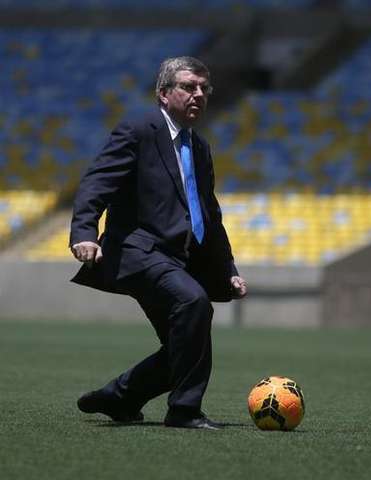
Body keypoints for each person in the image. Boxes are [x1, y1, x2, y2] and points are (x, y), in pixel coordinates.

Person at [69, 56, 247, 430]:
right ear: (164, 94)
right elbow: (97, 182)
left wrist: (227, 268)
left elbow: (208, 214)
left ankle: (119, 398)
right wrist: (84, 232)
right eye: (188, 86)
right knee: (193, 301)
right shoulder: (138, 128)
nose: (198, 94)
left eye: (204, 88)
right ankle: (184, 411)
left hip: (174, 261)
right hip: (136, 252)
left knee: (187, 345)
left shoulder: (199, 147)